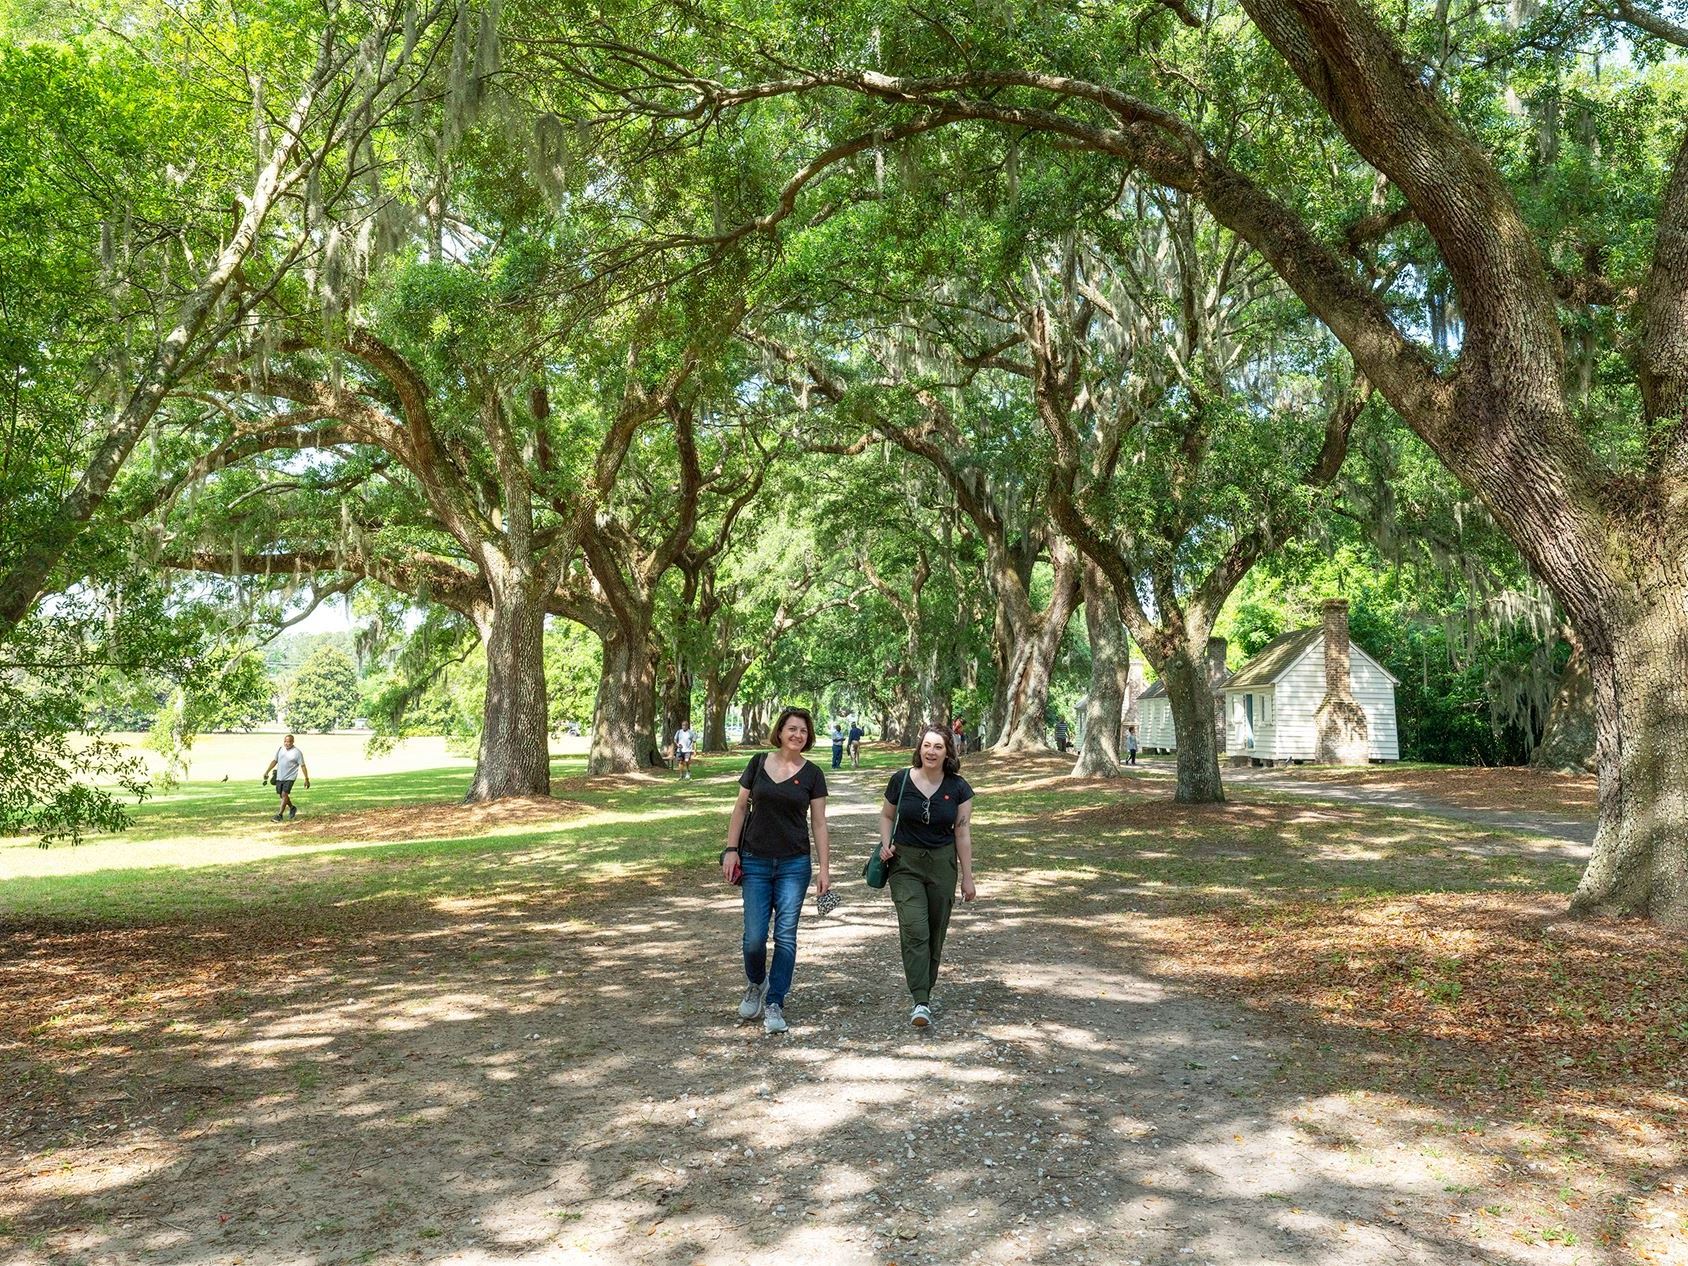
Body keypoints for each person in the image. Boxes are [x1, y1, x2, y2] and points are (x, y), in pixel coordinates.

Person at [721, 707, 831, 1034]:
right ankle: (757, 983)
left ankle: (775, 1002)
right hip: (754, 859)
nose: (798, 735)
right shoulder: (757, 763)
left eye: (804, 731)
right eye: (792, 729)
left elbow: (820, 824)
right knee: (754, 938)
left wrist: (824, 869)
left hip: (794, 864)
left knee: (785, 936)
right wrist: (731, 850)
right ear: (780, 732)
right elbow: (741, 807)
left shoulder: (813, 774)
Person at [878, 725, 976, 1029]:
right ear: (919, 748)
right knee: (914, 928)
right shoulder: (901, 779)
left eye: (938, 747)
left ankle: (925, 990)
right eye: (926, 745)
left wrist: (968, 877)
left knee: (935, 932)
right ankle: (920, 1000)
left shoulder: (959, 788)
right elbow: (886, 815)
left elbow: (962, 832)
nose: (931, 751)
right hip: (905, 863)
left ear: (948, 752)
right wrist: (885, 844)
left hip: (942, 864)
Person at [262, 734, 310, 821]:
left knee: (284, 794)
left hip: (290, 777)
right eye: (285, 741)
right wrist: (267, 771)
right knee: (282, 795)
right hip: (280, 776)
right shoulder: (281, 749)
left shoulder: (297, 752)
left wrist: (306, 779)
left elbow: (303, 766)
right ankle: (292, 807)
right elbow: (275, 761)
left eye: (289, 741)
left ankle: (279, 815)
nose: (287, 743)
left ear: (293, 742)